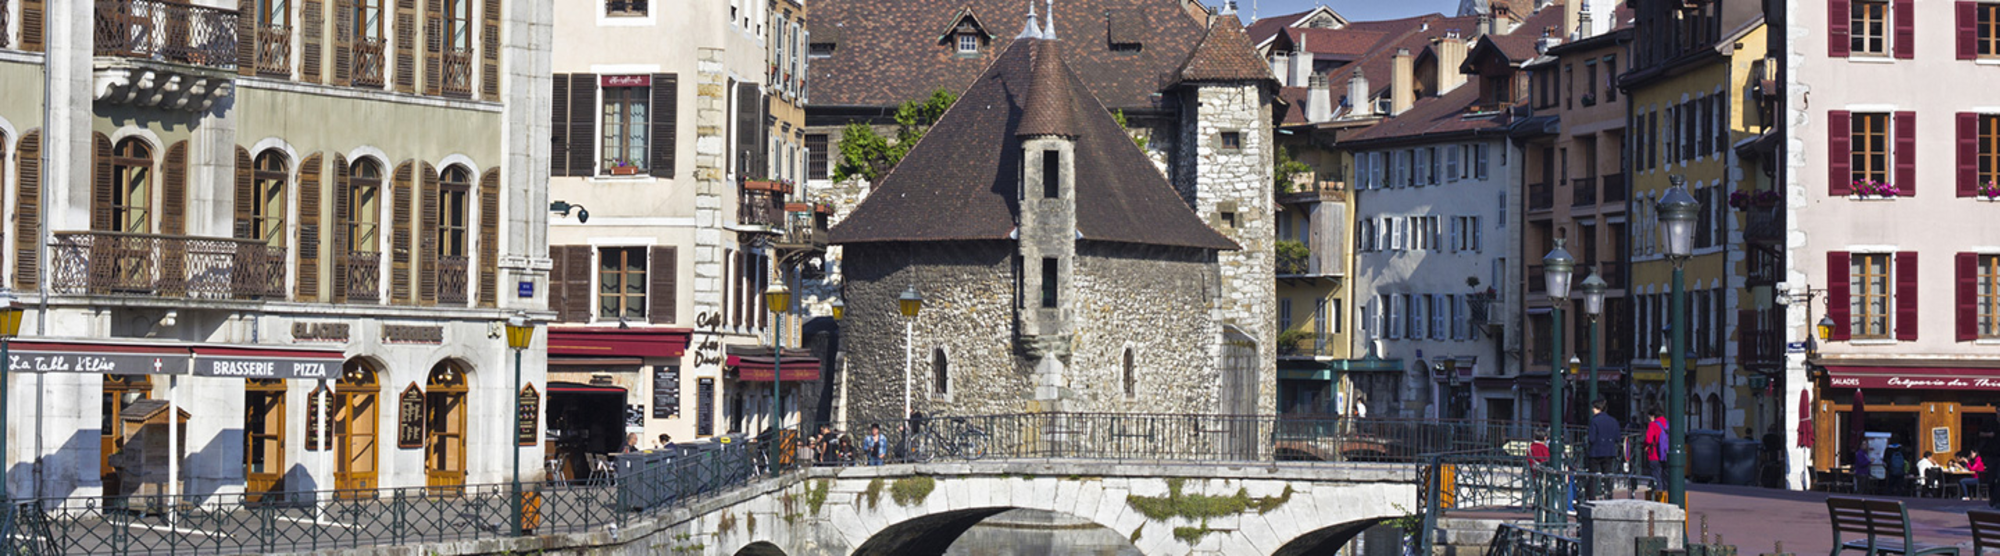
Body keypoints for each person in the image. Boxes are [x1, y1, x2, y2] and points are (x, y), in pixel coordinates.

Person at [1585, 400, 1621, 500]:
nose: (1592, 410)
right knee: (1608, 474)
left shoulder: (1594, 421)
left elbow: (1591, 438)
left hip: (1596, 451)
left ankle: (1592, 497)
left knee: (1592, 475)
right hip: (1609, 451)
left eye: (1593, 408)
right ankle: (1609, 494)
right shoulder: (1613, 421)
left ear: (1598, 408)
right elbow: (1618, 437)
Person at [1643, 406, 1668, 495]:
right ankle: (1666, 497)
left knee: (1656, 477)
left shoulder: (1653, 425)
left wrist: (1645, 446)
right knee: (1666, 477)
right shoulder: (1667, 423)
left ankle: (1658, 497)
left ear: (1653, 416)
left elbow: (1649, 440)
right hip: (1666, 454)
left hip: (1655, 454)